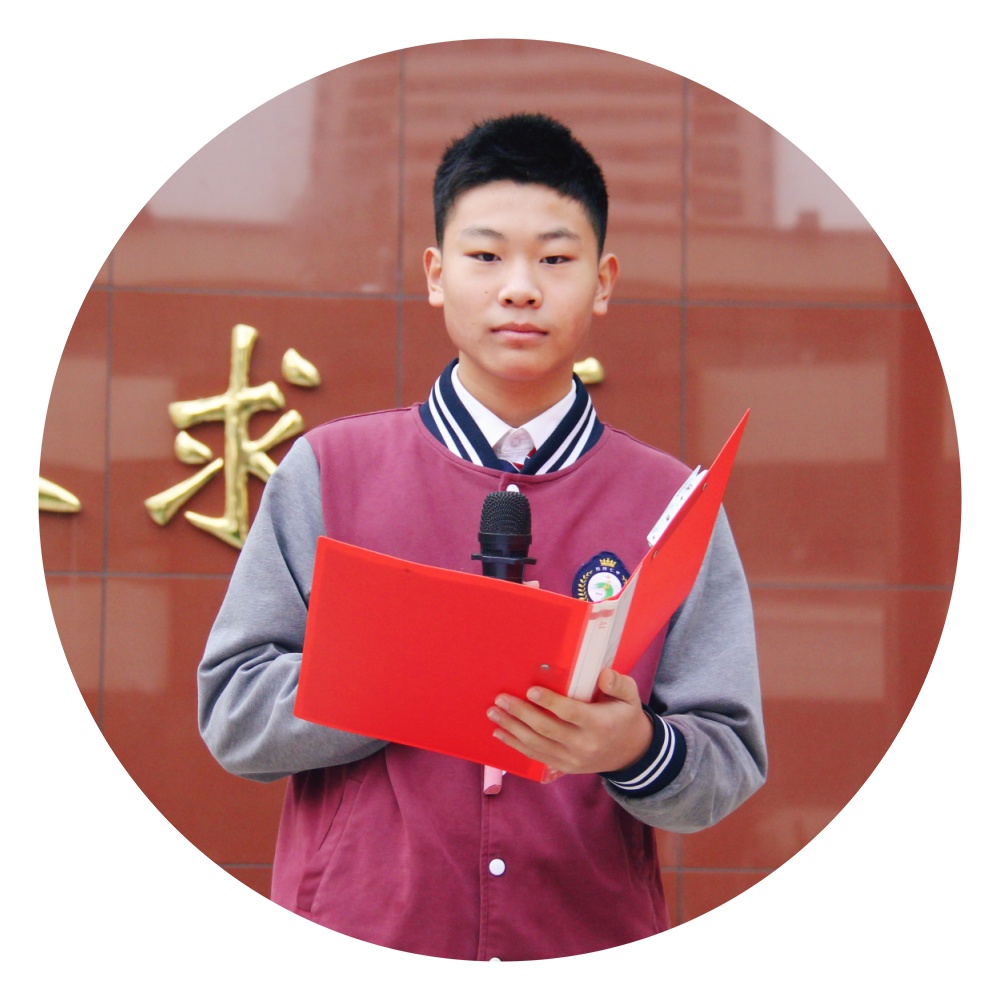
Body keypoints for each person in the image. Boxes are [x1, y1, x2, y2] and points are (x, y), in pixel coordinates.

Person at [197, 112, 767, 961]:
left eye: (556, 259)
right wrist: (412, 675)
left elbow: (728, 757)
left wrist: (635, 748)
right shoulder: (327, 472)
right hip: (360, 935)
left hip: (586, 942)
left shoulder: (672, 506)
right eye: (487, 256)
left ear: (604, 281)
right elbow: (234, 714)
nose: (521, 288)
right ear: (436, 274)